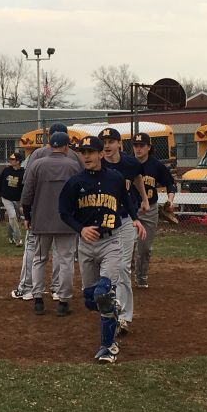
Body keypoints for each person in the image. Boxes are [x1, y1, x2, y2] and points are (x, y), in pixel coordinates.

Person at [59, 135, 145, 364]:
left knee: (103, 294)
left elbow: (126, 200)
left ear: (100, 154)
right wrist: (80, 228)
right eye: (83, 152)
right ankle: (113, 311)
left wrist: (135, 219)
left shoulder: (115, 178)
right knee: (90, 300)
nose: (86, 156)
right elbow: (64, 212)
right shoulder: (75, 183)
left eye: (90, 152)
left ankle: (108, 346)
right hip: (86, 245)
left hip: (111, 241)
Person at [10, 123, 80, 301]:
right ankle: (57, 289)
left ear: (50, 138)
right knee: (63, 255)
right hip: (66, 218)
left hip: (39, 214)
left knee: (35, 253)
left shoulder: (39, 154)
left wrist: (27, 213)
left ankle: (26, 288)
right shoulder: (74, 156)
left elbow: (27, 186)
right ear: (66, 139)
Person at [99, 126, 149, 334]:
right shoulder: (97, 163)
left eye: (111, 141)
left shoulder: (130, 163)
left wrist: (145, 199)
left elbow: (137, 178)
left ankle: (124, 316)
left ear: (119, 144)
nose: (107, 145)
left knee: (122, 268)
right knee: (103, 271)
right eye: (104, 141)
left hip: (126, 219)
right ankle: (109, 308)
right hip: (102, 221)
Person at [130, 132, 177, 289]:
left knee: (145, 248)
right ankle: (123, 273)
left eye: (142, 145)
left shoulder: (156, 165)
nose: (138, 148)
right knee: (128, 245)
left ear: (149, 147)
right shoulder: (127, 164)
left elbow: (171, 184)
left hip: (150, 210)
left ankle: (141, 276)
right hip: (130, 210)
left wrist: (170, 200)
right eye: (135, 145)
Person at [0, 152, 26, 246]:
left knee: (13, 219)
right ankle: (18, 239)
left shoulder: (23, 172)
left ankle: (10, 236)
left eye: (13, 159)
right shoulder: (6, 170)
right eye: (10, 159)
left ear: (18, 161)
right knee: (12, 216)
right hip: (6, 198)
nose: (10, 161)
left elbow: (25, 187)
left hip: (18, 199)